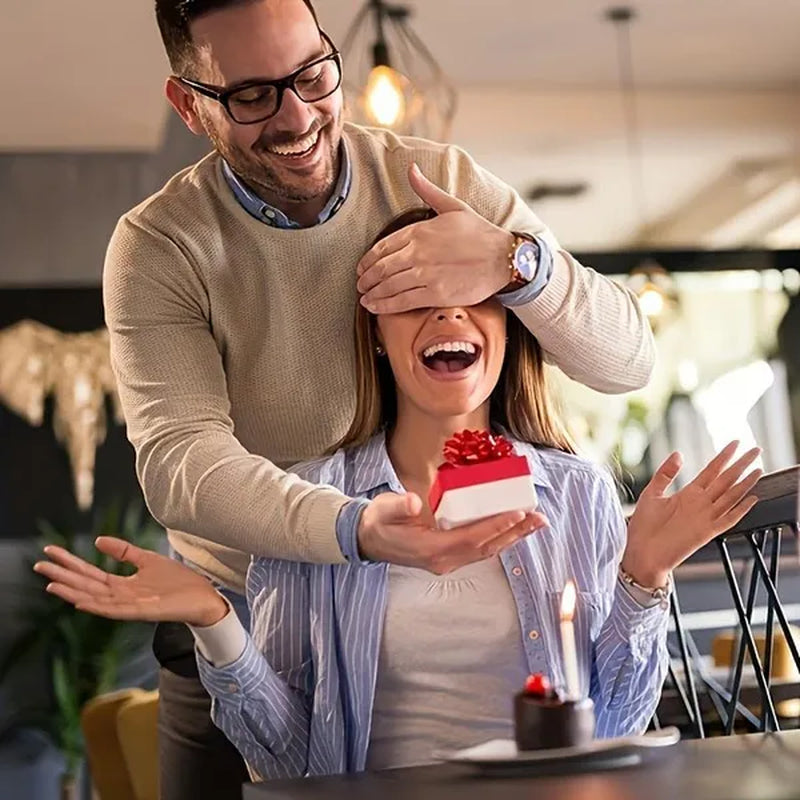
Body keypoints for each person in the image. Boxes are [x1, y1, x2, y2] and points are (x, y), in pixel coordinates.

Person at [106, 0, 658, 795]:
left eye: (312, 74)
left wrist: (518, 260)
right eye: (253, 95)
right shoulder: (160, 245)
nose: (297, 116)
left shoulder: (443, 181)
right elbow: (180, 464)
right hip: (237, 629)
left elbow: (627, 361)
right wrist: (357, 528)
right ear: (189, 104)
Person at [45, 210, 759, 781]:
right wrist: (212, 617)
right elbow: (286, 760)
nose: (448, 316)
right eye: (414, 299)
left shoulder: (577, 495)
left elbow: (619, 726)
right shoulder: (310, 506)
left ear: (506, 325)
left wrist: (644, 578)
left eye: (473, 296)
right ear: (377, 336)